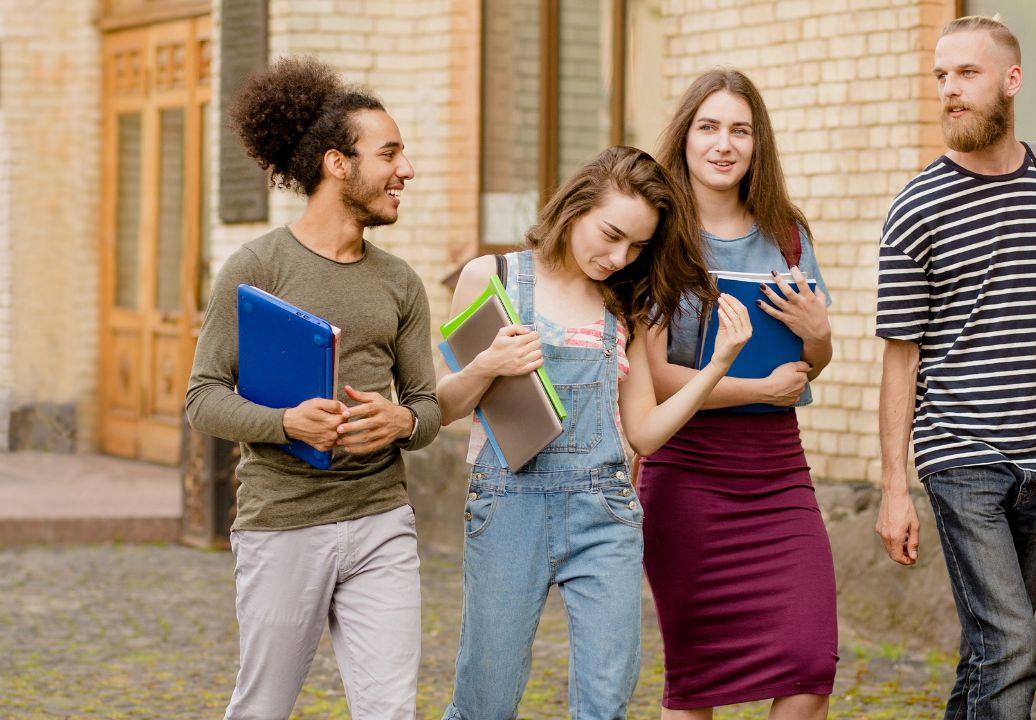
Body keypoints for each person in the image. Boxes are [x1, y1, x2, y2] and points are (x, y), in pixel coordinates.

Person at [874, 16, 1036, 720]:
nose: (950, 92)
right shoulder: (915, 209)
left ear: (1012, 81)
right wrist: (894, 486)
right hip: (961, 456)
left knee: (991, 650)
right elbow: (900, 358)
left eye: (967, 74)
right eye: (941, 77)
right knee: (1015, 642)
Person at [438, 145, 752, 720]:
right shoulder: (494, 277)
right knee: (486, 700)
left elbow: (646, 434)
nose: (617, 256)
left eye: (636, 247)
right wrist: (488, 366)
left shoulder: (624, 306)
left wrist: (716, 367)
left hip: (603, 510)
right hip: (507, 506)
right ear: (576, 205)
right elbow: (442, 406)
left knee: (605, 703)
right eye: (610, 234)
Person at [185, 56, 440, 720]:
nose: (405, 170)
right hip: (284, 524)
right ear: (337, 163)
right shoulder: (257, 267)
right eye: (390, 154)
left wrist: (402, 424)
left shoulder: (400, 282)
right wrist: (288, 424)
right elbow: (203, 396)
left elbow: (428, 404)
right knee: (263, 707)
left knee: (390, 711)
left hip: (381, 520)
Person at [639, 69, 837, 720]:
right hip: (687, 475)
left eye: (740, 130)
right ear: (686, 137)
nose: (724, 144)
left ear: (758, 144)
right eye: (710, 127)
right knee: (698, 684)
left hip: (778, 474)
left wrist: (818, 337)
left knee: (811, 664)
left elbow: (813, 361)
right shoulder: (657, 235)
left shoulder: (787, 235)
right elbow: (660, 379)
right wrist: (760, 386)